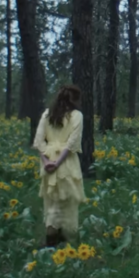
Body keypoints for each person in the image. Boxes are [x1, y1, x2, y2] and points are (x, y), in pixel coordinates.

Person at [33, 84, 86, 248]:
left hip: (49, 159)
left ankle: (59, 235)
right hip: (66, 162)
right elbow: (71, 144)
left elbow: (39, 141)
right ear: (75, 99)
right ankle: (51, 241)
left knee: (54, 199)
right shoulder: (76, 116)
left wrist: (47, 161)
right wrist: (57, 163)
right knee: (62, 200)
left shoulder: (47, 114)